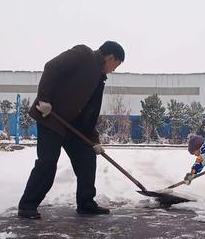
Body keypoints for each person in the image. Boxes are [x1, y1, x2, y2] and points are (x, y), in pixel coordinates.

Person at [18, 41, 125, 218]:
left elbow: (89, 113)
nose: (114, 69)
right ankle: (27, 205)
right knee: (47, 163)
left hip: (74, 127)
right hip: (51, 118)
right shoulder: (83, 54)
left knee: (87, 159)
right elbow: (51, 67)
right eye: (117, 64)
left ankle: (86, 203)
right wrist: (44, 99)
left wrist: (94, 141)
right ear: (111, 57)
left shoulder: (99, 79)